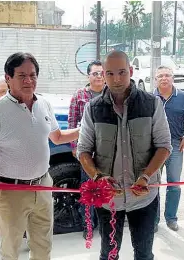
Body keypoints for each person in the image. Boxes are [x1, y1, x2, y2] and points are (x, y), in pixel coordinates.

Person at [0, 52, 80, 260]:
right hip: (11, 192)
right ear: (8, 78)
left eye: (32, 75)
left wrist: (85, 128)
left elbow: (57, 137)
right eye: (22, 75)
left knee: (43, 249)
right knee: (9, 251)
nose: (28, 80)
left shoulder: (43, 104)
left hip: (43, 186)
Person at [77, 50, 172, 260]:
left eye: (122, 72)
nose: (116, 79)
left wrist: (146, 176)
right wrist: (98, 177)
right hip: (108, 199)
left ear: (130, 71)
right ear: (104, 75)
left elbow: (164, 146)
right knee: (108, 254)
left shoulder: (151, 103)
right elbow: (83, 150)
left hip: (144, 197)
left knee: (144, 254)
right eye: (110, 74)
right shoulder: (93, 108)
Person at [153, 65, 184, 232]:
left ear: (172, 78)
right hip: (154, 146)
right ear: (155, 79)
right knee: (153, 185)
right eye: (160, 76)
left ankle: (171, 218)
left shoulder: (183, 98)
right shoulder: (150, 98)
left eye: (167, 75)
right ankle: (153, 220)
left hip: (175, 145)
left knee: (174, 183)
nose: (164, 78)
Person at [68, 60, 104, 238]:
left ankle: (106, 224)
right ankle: (88, 225)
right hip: (87, 152)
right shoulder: (79, 95)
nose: (98, 76)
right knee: (88, 189)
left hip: (107, 152)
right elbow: (72, 122)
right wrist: (75, 148)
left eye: (101, 73)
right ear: (88, 76)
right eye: (95, 73)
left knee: (106, 188)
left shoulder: (112, 94)